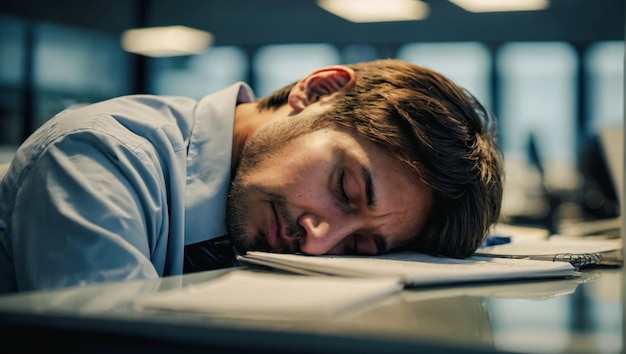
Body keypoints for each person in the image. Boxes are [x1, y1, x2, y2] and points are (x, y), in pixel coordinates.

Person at [0, 59, 503, 293]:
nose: (317, 244)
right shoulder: (101, 158)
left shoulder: (267, 209)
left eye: (358, 248)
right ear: (319, 91)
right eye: (345, 189)